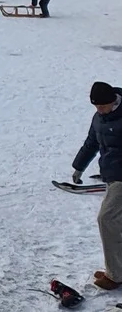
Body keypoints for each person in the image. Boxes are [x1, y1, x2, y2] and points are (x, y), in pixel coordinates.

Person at [71, 81, 122, 290]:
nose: (99, 111)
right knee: (115, 222)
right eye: (96, 107)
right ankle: (118, 268)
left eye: (102, 106)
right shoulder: (99, 118)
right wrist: (79, 167)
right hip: (111, 174)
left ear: (114, 101)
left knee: (107, 218)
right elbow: (91, 142)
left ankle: (115, 275)